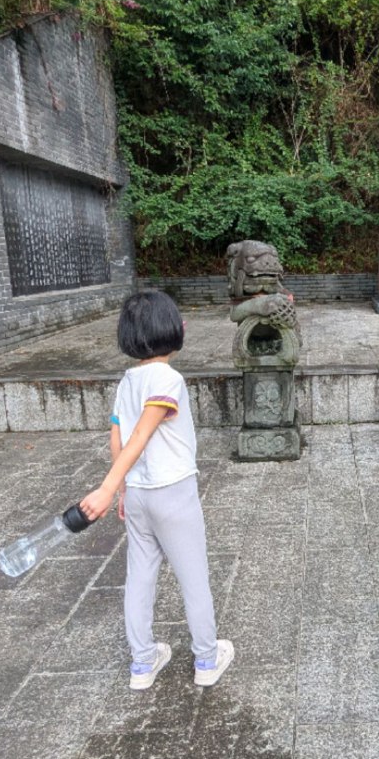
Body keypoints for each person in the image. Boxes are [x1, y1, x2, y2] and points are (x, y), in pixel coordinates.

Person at [80, 291, 234, 690]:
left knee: (140, 576)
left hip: (140, 495)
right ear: (171, 328)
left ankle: (143, 664)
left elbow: (119, 435)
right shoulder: (169, 379)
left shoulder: (128, 380)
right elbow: (142, 435)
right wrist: (107, 488)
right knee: (193, 576)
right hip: (173, 492)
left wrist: (125, 490)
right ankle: (205, 658)